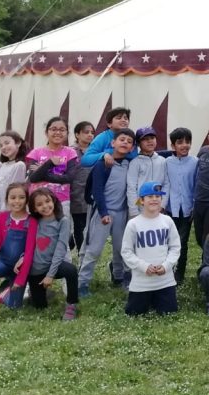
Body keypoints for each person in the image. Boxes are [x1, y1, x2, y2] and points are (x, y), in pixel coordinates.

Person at [78, 128, 135, 295]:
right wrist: (103, 213)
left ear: (132, 148)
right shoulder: (103, 164)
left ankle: (119, 276)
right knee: (94, 249)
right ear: (113, 143)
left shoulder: (130, 164)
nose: (125, 143)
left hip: (122, 213)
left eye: (129, 142)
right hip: (102, 212)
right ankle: (82, 283)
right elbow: (97, 190)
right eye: (122, 139)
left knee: (121, 248)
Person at [0, 183, 37, 326]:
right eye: (13, 197)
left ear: (27, 200)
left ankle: (5, 295)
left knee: (14, 306)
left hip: (19, 268)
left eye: (21, 197)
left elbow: (29, 252)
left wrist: (20, 280)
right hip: (3, 262)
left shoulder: (32, 221)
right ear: (7, 199)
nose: (17, 201)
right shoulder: (2, 217)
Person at [121, 181, 181, 316]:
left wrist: (166, 266)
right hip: (141, 283)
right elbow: (126, 251)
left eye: (158, 196)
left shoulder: (167, 221)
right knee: (134, 313)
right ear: (141, 201)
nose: (154, 199)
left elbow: (175, 247)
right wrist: (143, 266)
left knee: (169, 312)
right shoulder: (133, 224)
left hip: (165, 281)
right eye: (150, 196)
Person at [26, 188, 79, 321]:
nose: (45, 206)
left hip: (54, 265)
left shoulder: (63, 221)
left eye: (47, 201)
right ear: (34, 208)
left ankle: (71, 304)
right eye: (39, 204)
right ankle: (39, 292)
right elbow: (27, 243)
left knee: (71, 270)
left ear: (53, 200)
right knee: (39, 307)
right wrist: (22, 257)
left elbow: (60, 249)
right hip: (37, 269)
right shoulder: (33, 221)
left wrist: (50, 275)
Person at [26, 117, 79, 216]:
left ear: (67, 133)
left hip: (61, 201)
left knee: (62, 225)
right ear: (46, 132)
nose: (58, 132)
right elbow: (33, 178)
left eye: (62, 130)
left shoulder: (70, 152)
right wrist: (49, 163)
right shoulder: (36, 152)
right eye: (54, 129)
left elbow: (69, 178)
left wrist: (41, 171)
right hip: (37, 202)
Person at [164, 127, 197, 284]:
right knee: (168, 241)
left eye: (187, 142)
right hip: (170, 209)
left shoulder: (195, 162)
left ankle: (180, 273)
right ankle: (167, 268)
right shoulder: (166, 163)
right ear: (173, 146)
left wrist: (195, 206)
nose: (184, 145)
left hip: (187, 209)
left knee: (182, 242)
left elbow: (197, 185)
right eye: (180, 142)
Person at [0, 131, 28, 238]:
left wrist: (2, 214)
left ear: (18, 143)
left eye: (7, 143)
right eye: (1, 145)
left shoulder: (19, 165)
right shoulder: (4, 165)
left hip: (4, 213)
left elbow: (13, 192)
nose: (3, 147)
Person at [127, 127, 169, 217]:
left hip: (158, 207)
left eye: (152, 138)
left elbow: (166, 184)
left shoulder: (162, 161)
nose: (150, 141)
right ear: (138, 143)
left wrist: (162, 205)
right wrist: (134, 211)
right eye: (145, 139)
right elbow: (131, 188)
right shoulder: (135, 163)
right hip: (140, 209)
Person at [70, 120, 96, 251]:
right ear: (77, 134)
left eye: (92, 132)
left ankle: (89, 253)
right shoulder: (70, 151)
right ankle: (81, 253)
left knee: (92, 227)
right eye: (86, 132)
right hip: (76, 195)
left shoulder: (96, 150)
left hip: (93, 195)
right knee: (79, 227)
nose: (90, 135)